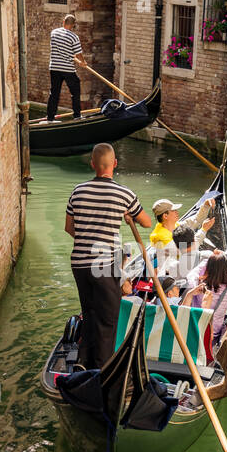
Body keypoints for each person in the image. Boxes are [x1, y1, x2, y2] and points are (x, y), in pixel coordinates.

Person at [65, 142, 151, 369]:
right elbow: (146, 222)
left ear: (92, 164)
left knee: (89, 313)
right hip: (105, 265)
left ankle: (84, 362)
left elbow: (69, 228)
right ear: (114, 164)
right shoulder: (124, 194)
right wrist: (128, 215)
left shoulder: (78, 190)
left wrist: (88, 239)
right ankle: (100, 371)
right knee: (107, 321)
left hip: (80, 263)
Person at [181, 250, 227, 358]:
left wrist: (211, 259)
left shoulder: (197, 285)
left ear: (207, 268)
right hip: (213, 333)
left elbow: (192, 273)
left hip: (193, 328)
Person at [47, 14, 86, 121]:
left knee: (54, 92)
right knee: (75, 90)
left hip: (54, 67)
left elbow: (65, 52)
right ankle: (77, 116)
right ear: (73, 25)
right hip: (67, 69)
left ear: (63, 21)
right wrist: (83, 62)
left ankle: (50, 118)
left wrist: (77, 60)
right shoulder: (74, 37)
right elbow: (78, 53)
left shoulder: (54, 33)